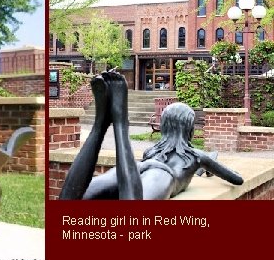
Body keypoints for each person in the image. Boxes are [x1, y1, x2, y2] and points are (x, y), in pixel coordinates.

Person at [59, 70, 243, 200]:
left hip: (139, 166)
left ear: (164, 126)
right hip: (163, 175)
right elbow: (236, 179)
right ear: (189, 128)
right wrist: (209, 162)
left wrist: (206, 164)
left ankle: (101, 124)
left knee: (77, 196)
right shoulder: (196, 156)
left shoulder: (153, 150)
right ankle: (120, 123)